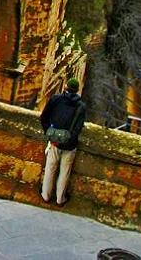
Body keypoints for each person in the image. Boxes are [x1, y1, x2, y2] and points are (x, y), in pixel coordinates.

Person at [39, 78, 86, 206]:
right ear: (77, 90)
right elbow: (77, 129)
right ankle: (60, 199)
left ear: (65, 87)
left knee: (50, 168)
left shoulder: (55, 99)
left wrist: (50, 134)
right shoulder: (81, 106)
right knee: (65, 172)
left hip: (54, 141)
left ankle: (46, 196)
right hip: (70, 145)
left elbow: (43, 117)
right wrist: (67, 141)